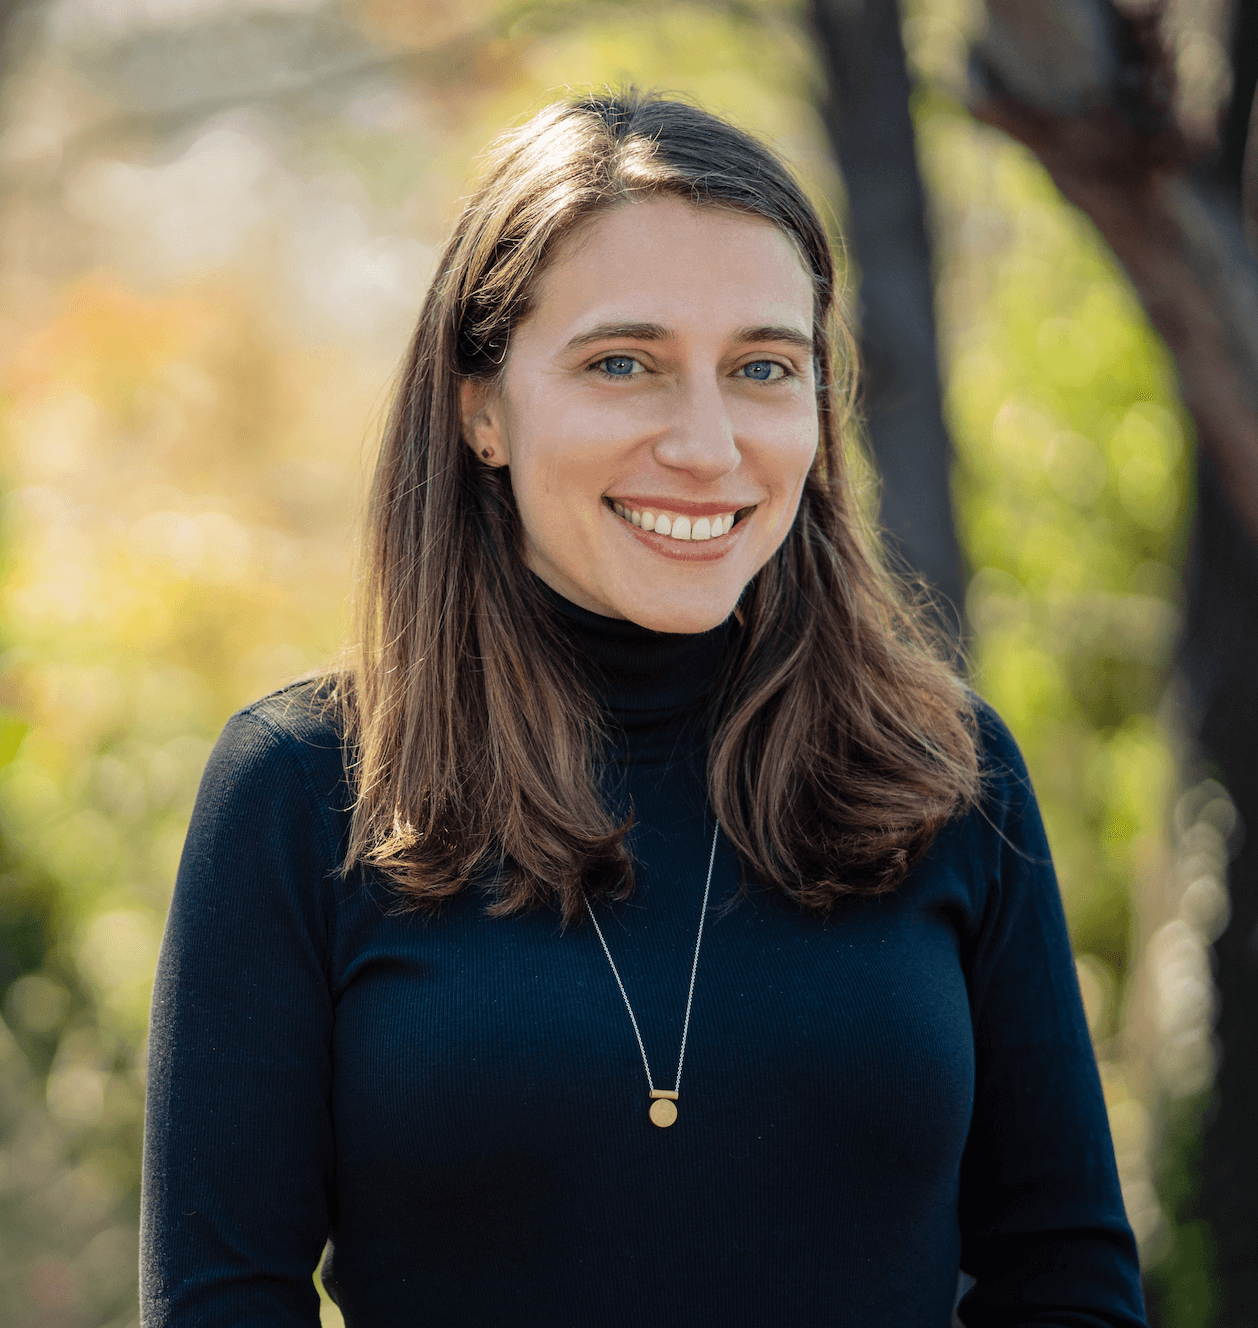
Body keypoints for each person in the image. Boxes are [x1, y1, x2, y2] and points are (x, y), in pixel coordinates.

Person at [140, 91, 1147, 1327]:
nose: (711, 445)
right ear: (482, 405)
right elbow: (222, 1299)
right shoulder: (304, 787)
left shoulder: (946, 771)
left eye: (763, 367)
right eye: (626, 363)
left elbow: (1067, 1270)